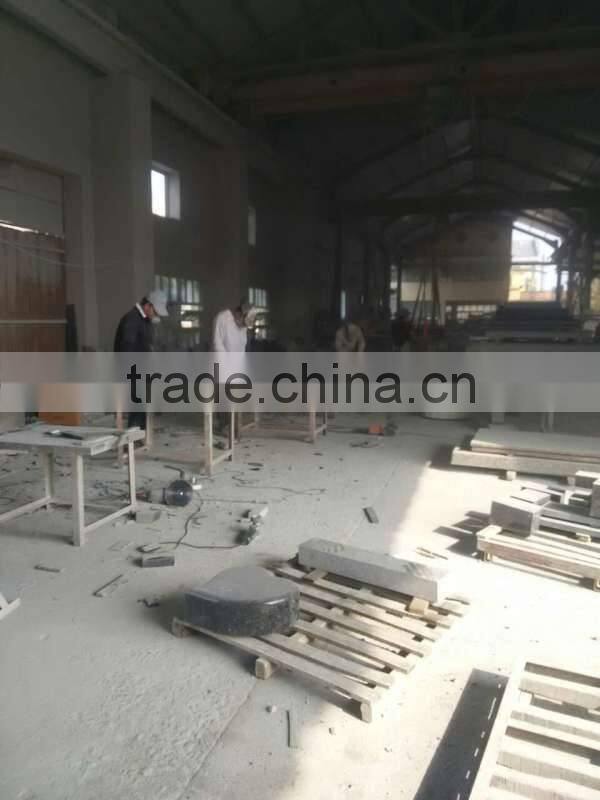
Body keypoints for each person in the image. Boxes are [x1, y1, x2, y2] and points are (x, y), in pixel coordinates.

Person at [114, 289, 168, 430]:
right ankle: (133, 436)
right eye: (155, 312)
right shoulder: (132, 319)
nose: (156, 315)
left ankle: (141, 434)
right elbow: (127, 350)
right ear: (148, 306)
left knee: (143, 408)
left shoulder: (144, 320)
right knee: (137, 408)